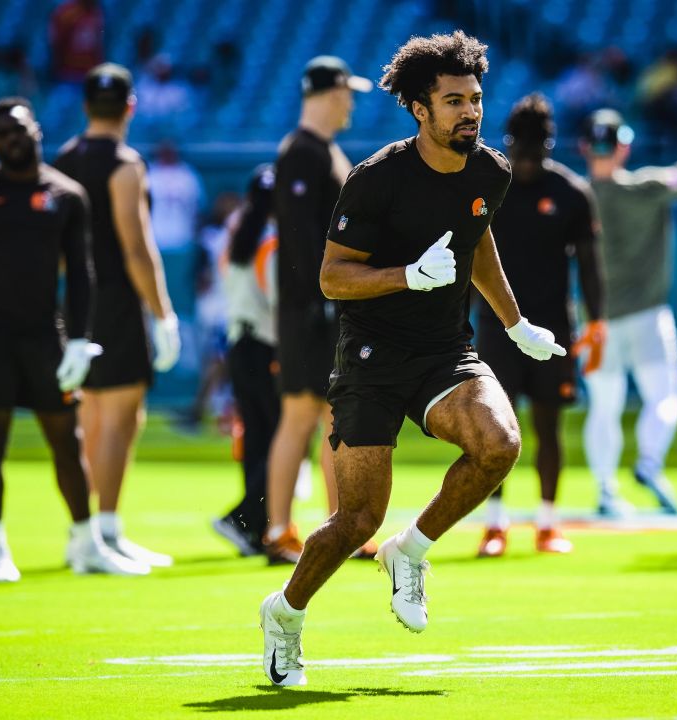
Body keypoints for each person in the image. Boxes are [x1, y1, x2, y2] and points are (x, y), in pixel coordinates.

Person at [258, 30, 565, 687]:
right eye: (453, 101)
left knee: (499, 444)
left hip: (444, 351)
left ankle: (412, 550)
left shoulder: (491, 170)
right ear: (419, 110)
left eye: (476, 99)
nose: (470, 112)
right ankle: (284, 615)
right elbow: (332, 278)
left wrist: (515, 324)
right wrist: (407, 274)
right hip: (369, 357)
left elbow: (478, 242)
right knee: (356, 519)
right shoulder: (376, 178)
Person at [0, 97, 146, 581]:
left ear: (36, 130)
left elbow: (82, 274)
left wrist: (80, 340)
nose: (11, 139)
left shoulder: (67, 195)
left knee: (68, 440)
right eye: (1, 133)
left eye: (18, 129)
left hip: (46, 332)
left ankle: (87, 545)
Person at [579, 89, 677, 518]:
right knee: (665, 398)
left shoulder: (575, 195)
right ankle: (649, 464)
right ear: (624, 145)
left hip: (596, 322)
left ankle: (606, 490)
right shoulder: (645, 186)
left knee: (603, 407)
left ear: (583, 146)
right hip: (647, 316)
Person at [53, 64, 182, 569]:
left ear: (86, 106)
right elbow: (135, 245)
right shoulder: (126, 164)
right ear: (130, 106)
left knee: (90, 416)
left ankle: (85, 534)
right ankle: (103, 532)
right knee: (122, 415)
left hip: (77, 301)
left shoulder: (63, 157)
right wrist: (163, 312)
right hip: (117, 299)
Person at [472, 93, 605, 557]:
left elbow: (589, 266)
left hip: (551, 329)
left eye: (534, 149)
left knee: (548, 427)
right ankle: (494, 525)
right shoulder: (489, 188)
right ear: (508, 143)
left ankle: (548, 523)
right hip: (494, 328)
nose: (525, 159)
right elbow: (469, 260)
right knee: (493, 429)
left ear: (549, 144)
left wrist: (597, 323)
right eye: (518, 148)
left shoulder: (571, 193)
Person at [262, 56, 373, 565]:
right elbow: (305, 241)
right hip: (311, 309)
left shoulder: (321, 150)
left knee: (327, 414)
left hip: (319, 306)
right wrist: (326, 297)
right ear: (332, 93)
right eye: (348, 92)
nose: (351, 101)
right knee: (303, 414)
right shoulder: (303, 152)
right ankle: (280, 530)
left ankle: (338, 524)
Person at [212, 164, 280, 556]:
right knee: (279, 441)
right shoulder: (270, 240)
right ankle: (242, 519)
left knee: (255, 438)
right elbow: (276, 302)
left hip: (239, 343)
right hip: (265, 345)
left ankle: (255, 530)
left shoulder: (235, 236)